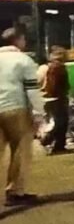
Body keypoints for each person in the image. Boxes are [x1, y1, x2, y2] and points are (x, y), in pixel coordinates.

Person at [0, 28, 44, 206]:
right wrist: (39, 113)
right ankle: (15, 191)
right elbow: (32, 89)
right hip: (16, 108)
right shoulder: (24, 60)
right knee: (20, 150)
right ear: (17, 40)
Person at [43, 46, 70, 154]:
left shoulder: (51, 67)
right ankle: (50, 140)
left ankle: (58, 145)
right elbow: (56, 85)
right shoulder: (59, 68)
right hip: (58, 98)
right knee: (61, 122)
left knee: (60, 122)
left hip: (53, 98)